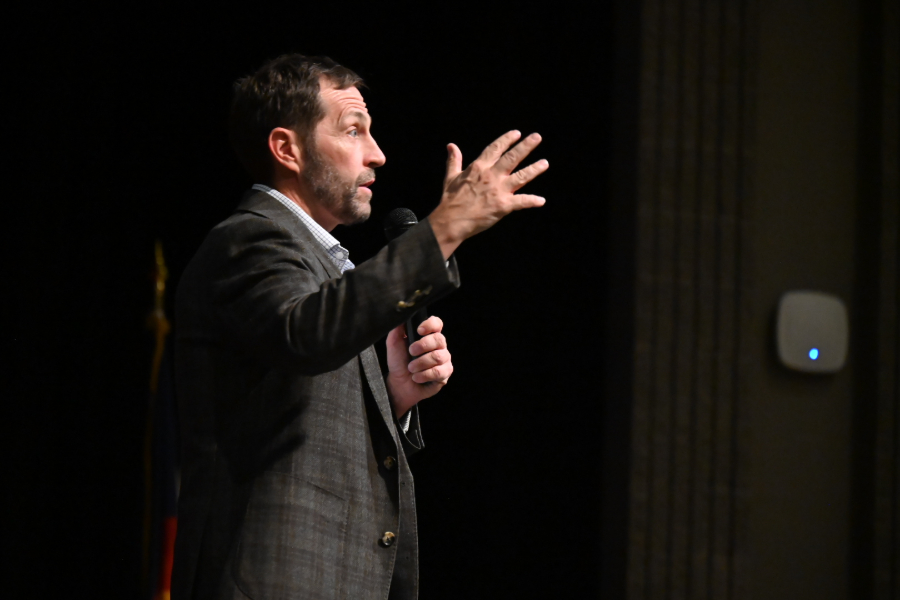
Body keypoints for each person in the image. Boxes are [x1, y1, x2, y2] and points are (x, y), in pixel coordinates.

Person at [172, 53, 549, 600]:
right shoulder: (250, 239)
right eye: (354, 130)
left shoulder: (319, 263)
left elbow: (298, 403)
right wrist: (445, 227)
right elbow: (307, 335)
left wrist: (391, 399)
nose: (377, 154)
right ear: (287, 149)